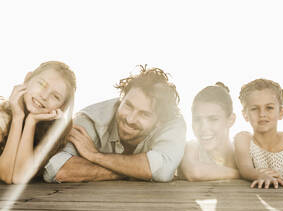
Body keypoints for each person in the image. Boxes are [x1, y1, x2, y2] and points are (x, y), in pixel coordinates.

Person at [43, 65, 186, 183]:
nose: (130, 119)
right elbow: (59, 170)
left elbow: (162, 171)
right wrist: (135, 171)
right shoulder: (90, 119)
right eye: (128, 106)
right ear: (121, 98)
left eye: (144, 114)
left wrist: (96, 156)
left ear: (160, 121)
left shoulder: (173, 123)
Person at [0, 61, 76, 184]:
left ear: (61, 107)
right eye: (41, 84)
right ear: (28, 79)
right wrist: (18, 118)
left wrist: (31, 122)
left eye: (55, 97)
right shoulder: (2, 115)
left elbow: (19, 177)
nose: (44, 96)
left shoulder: (54, 131)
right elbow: (6, 175)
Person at [179, 82, 240, 181]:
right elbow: (194, 172)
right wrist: (240, 174)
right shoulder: (192, 147)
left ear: (231, 120)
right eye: (197, 119)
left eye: (213, 119)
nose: (204, 128)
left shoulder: (243, 153)